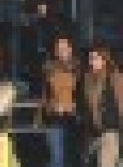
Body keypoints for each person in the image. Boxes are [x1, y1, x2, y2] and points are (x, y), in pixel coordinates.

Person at [78, 42, 123, 167]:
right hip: (94, 133)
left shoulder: (115, 78)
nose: (91, 62)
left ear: (104, 60)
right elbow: (85, 107)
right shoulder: (87, 80)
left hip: (111, 132)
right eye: (90, 59)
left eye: (95, 58)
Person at [43, 34, 80, 167]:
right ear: (55, 51)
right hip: (55, 117)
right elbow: (46, 96)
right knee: (56, 158)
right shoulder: (49, 68)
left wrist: (74, 106)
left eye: (65, 47)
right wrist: (54, 106)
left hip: (76, 119)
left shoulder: (79, 68)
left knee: (73, 158)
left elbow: (84, 95)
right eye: (59, 47)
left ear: (71, 48)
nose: (62, 50)